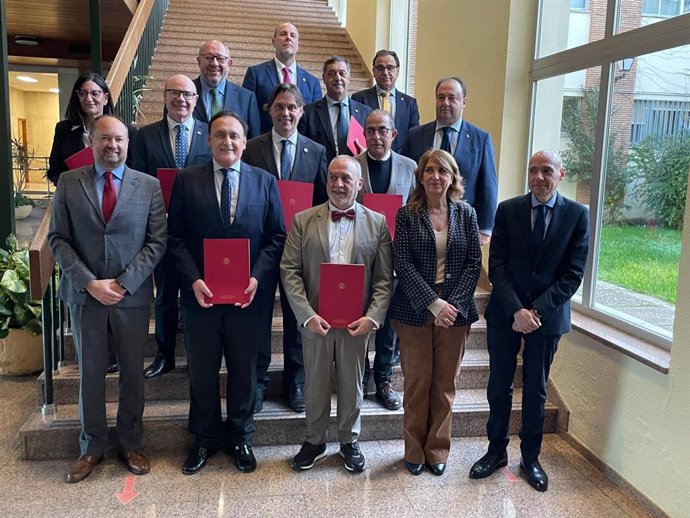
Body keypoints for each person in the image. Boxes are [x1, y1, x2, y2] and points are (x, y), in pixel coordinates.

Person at [48, 115, 167, 483]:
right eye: (104, 139)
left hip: (130, 298)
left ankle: (131, 443)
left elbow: (156, 241)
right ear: (91, 140)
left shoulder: (148, 186)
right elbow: (58, 240)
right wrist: (89, 283)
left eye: (118, 139)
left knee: (133, 373)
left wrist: (125, 282)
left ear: (127, 143)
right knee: (91, 376)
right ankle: (92, 447)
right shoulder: (68, 183)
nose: (112, 145)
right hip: (86, 298)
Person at [167, 111, 285, 476]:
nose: (227, 142)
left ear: (245, 141)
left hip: (249, 298)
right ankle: (203, 439)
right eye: (220, 135)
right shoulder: (187, 181)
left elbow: (275, 236)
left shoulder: (265, 182)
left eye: (234, 135)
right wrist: (193, 280)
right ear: (208, 140)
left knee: (245, 370)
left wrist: (257, 278)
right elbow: (176, 238)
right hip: (201, 297)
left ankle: (240, 436)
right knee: (202, 370)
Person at [469, 150, 589, 492]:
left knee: (535, 389)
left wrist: (536, 311)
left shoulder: (578, 215)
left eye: (546, 170)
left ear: (561, 174)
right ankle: (495, 452)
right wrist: (517, 310)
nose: (539, 177)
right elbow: (499, 265)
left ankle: (531, 458)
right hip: (506, 312)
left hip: (547, 319)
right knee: (499, 385)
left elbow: (573, 273)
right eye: (533, 170)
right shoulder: (508, 210)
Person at [280, 155, 392, 473]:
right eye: (333, 177)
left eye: (346, 178)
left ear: (359, 183)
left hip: (357, 322)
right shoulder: (303, 220)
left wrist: (372, 317)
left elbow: (384, 278)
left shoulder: (378, 222)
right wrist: (305, 314)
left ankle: (348, 440)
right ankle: (314, 440)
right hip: (315, 321)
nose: (339, 184)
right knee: (314, 382)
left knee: (352, 384)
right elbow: (289, 270)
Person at [390, 149, 482, 477]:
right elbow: (402, 261)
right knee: (417, 382)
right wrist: (433, 303)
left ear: (452, 177)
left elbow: (474, 263)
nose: (435, 176)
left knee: (445, 384)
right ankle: (414, 450)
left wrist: (451, 305)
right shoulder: (407, 214)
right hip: (415, 308)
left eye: (442, 171)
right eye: (429, 170)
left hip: (455, 311)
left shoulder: (466, 214)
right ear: (421, 176)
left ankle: (437, 449)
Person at [244, 83, 328, 413]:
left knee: (297, 319)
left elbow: (323, 200)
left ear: (301, 111)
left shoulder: (316, 151)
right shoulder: (252, 148)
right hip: (262, 247)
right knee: (259, 317)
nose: (286, 113)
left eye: (292, 107)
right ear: (270, 110)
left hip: (302, 249)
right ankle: (259, 382)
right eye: (279, 107)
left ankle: (296, 382)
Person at [132, 74, 211, 379]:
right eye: (174, 93)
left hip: (198, 232)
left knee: (196, 294)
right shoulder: (145, 136)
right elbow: (137, 180)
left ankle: (196, 353)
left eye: (188, 94)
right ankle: (164, 355)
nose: (181, 99)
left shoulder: (210, 134)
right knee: (165, 294)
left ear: (196, 99)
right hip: (160, 230)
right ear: (164, 96)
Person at [354, 109, 416, 411]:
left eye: (382, 130)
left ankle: (384, 379)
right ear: (363, 134)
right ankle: (361, 373)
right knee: (360, 317)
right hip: (359, 257)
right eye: (370, 130)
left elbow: (417, 212)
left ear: (393, 134)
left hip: (396, 258)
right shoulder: (352, 166)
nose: (376, 136)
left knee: (389, 323)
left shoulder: (410, 167)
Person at [402, 76, 497, 245]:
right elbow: (408, 178)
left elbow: (488, 184)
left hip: (463, 226)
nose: (445, 102)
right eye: (440, 97)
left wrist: (485, 228)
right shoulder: (416, 135)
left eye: (452, 98)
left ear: (464, 102)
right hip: (422, 222)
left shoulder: (480, 139)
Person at [242, 22, 322, 134]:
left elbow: (315, 122)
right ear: (274, 41)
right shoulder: (255, 74)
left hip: (300, 147)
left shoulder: (312, 82)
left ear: (298, 45)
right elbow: (246, 113)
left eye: (293, 35)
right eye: (283, 34)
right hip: (263, 144)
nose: (288, 38)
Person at [298, 55, 372, 163]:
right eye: (332, 74)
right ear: (324, 78)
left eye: (342, 73)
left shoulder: (365, 113)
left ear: (349, 78)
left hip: (355, 173)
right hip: (322, 173)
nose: (337, 78)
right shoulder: (308, 113)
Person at [352, 49, 419, 153]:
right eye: (380, 68)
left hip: (401, 160)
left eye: (390, 68)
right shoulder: (359, 99)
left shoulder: (409, 103)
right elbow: (357, 134)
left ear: (397, 71)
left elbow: (414, 136)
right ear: (374, 72)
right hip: (369, 156)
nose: (385, 72)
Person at [191, 40, 260, 138]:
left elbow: (253, 140)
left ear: (229, 63)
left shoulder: (247, 98)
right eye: (208, 57)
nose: (214, 63)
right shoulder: (184, 93)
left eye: (220, 58)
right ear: (199, 61)